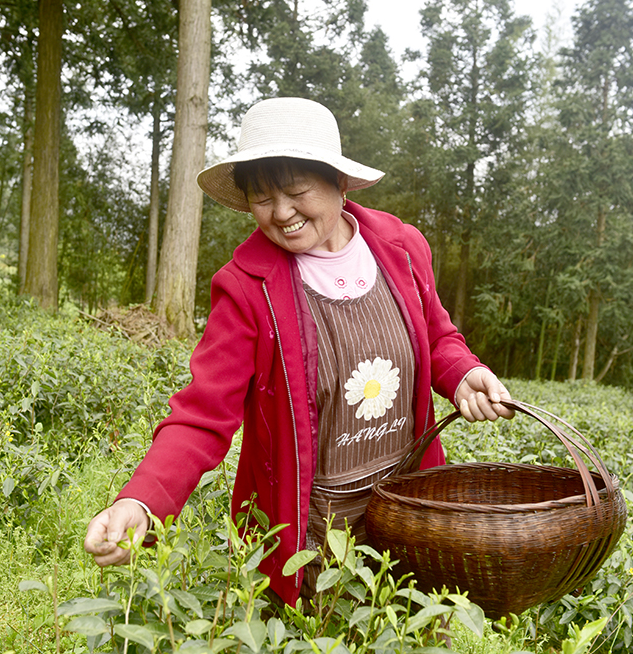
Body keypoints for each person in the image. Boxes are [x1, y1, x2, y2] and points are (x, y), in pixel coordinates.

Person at [84, 97, 514, 605]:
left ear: (340, 183)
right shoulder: (246, 287)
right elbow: (202, 416)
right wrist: (143, 500)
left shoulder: (401, 246)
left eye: (296, 191)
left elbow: (436, 335)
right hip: (306, 540)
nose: (281, 212)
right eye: (262, 197)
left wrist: (464, 373)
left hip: (409, 514)